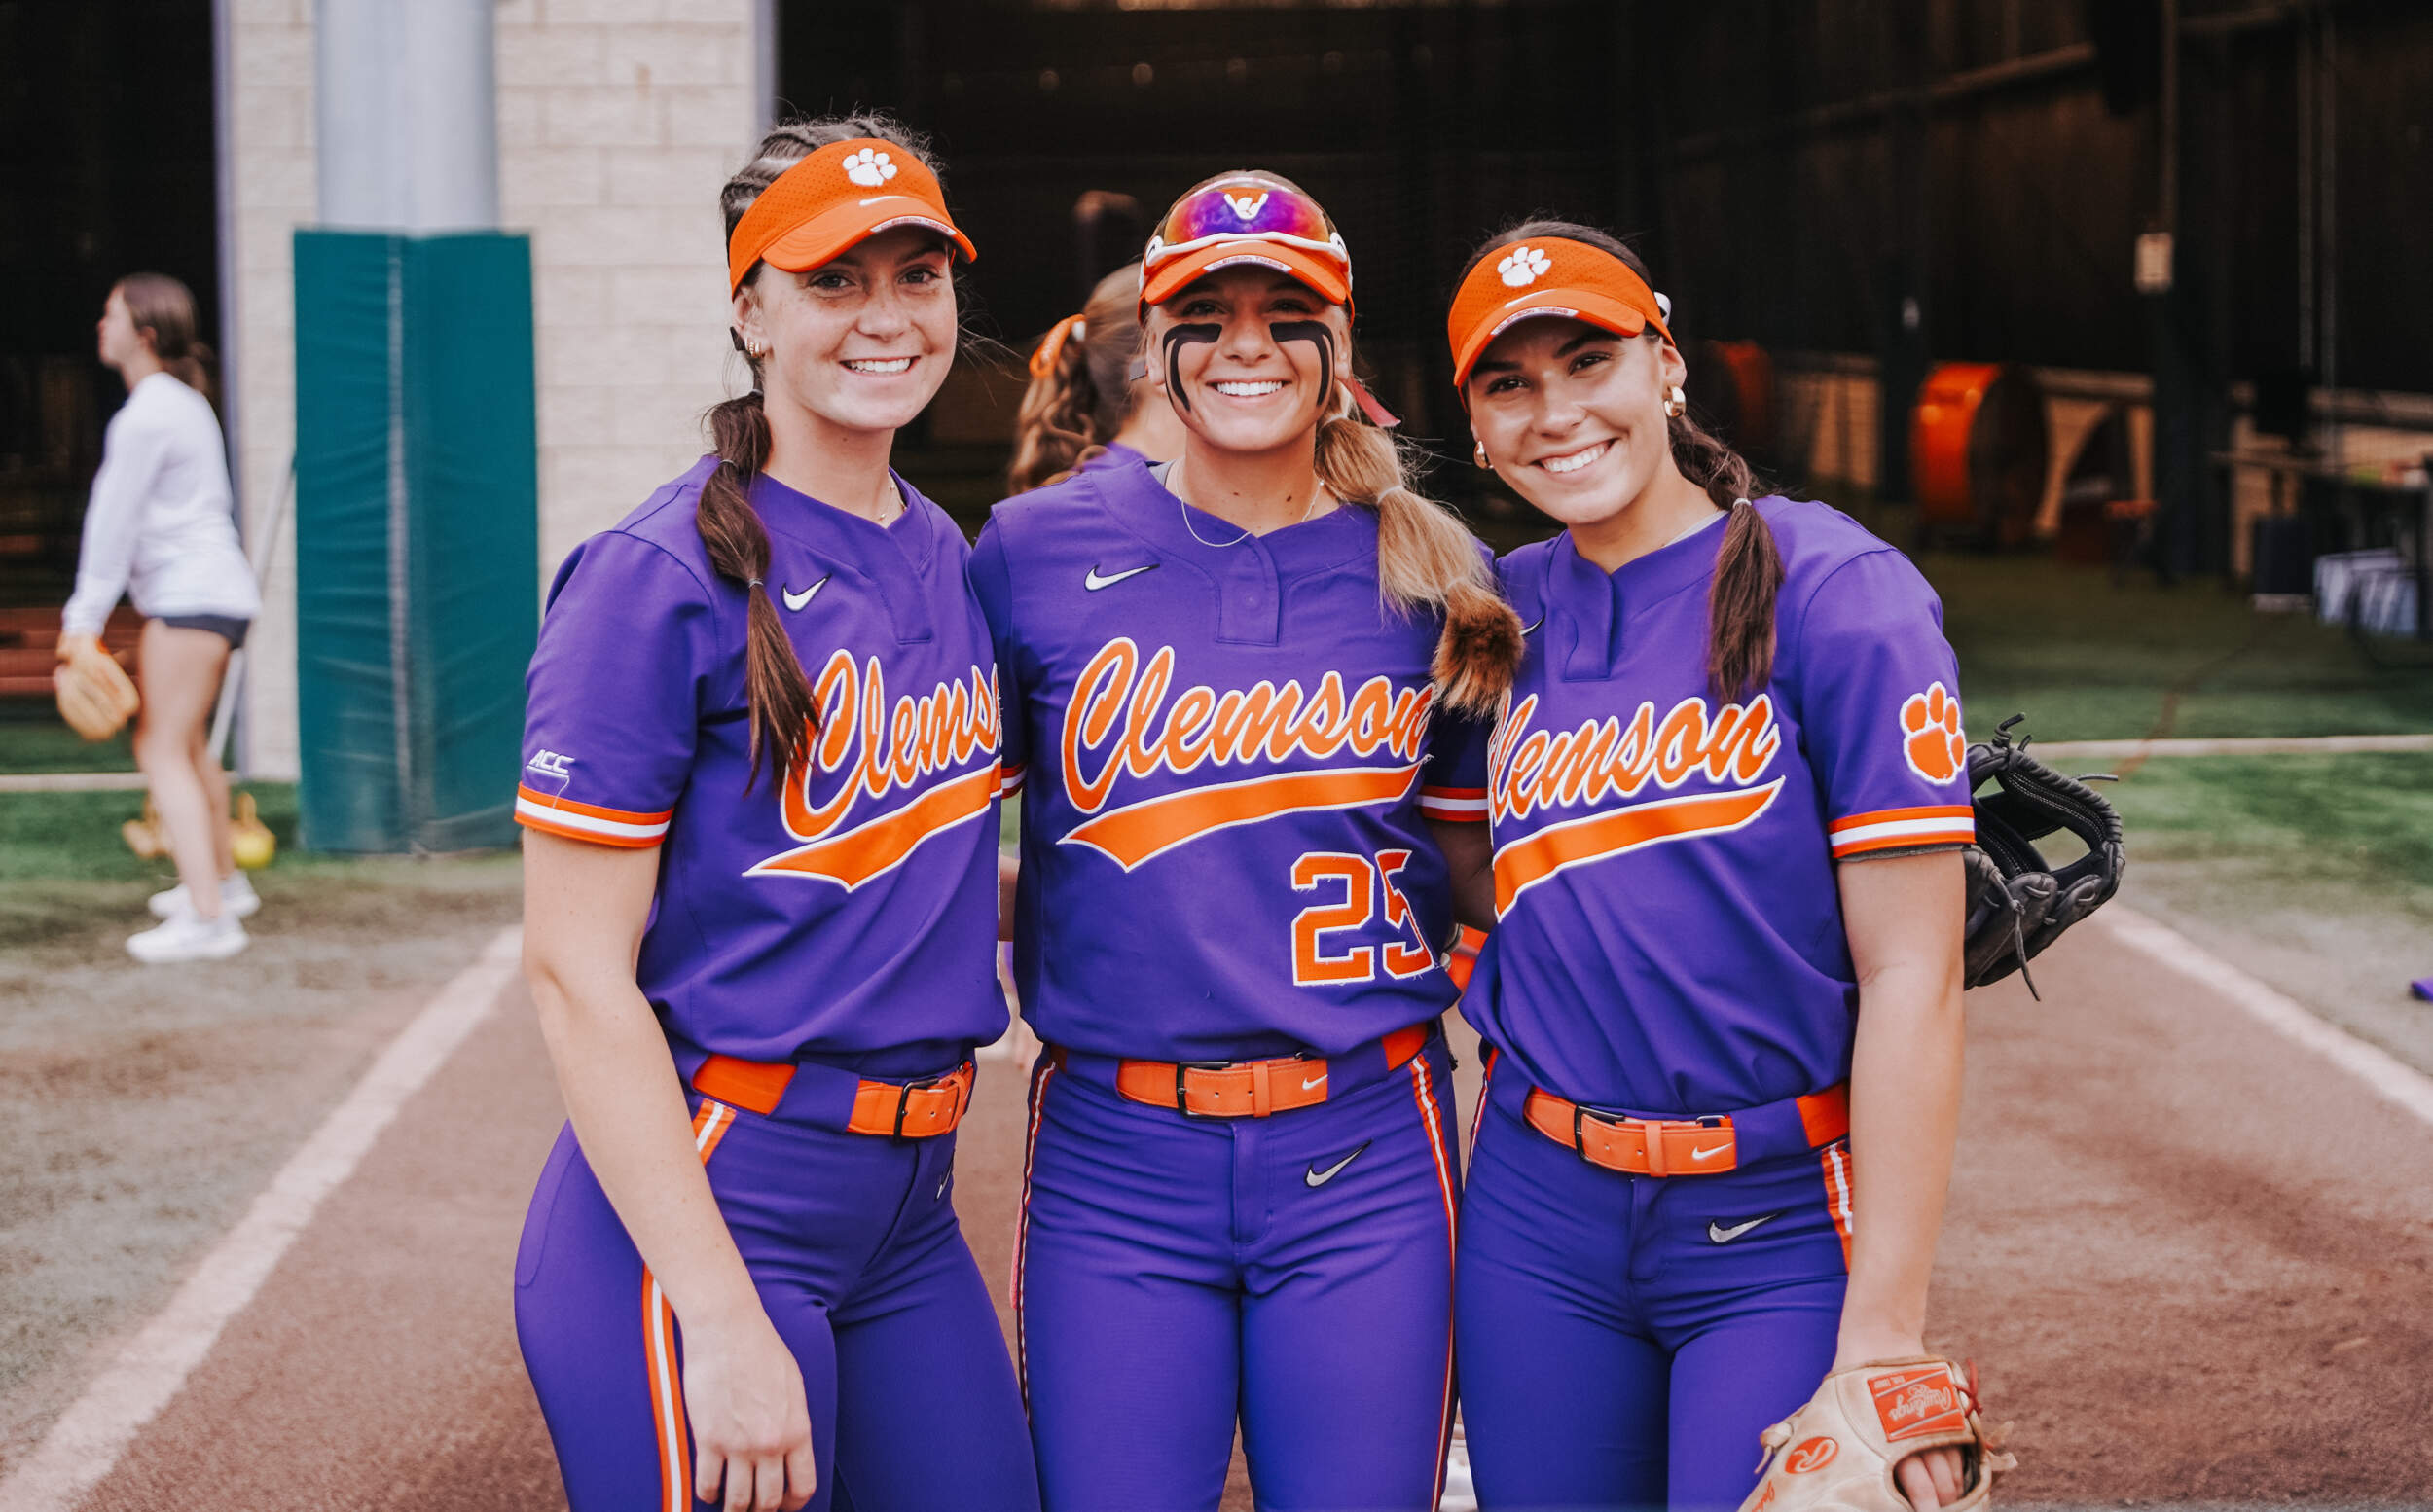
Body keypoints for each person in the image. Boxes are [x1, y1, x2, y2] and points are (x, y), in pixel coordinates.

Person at [970, 169, 1519, 1511]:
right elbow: (921, 817)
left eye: (1287, 313)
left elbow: (1497, 867)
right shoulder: (1029, 552)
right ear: (1153, 344)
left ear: (1341, 343)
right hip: (1114, 1151)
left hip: (1367, 1148)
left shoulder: (1437, 575)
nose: (1246, 346)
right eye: (1206, 315)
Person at [511, 116, 1036, 1512]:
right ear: (749, 310)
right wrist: (721, 1317)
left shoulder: (942, 549)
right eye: (833, 281)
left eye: (918, 276)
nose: (886, 316)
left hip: (908, 1211)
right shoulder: (653, 575)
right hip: (717, 1198)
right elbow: (573, 975)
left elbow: (895, 867)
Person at [1441, 223, 1975, 1511]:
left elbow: (1915, 975)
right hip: (1535, 1218)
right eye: (1510, 383)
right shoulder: (1491, 613)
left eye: (1588, 360)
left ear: (1667, 364)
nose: (1555, 411)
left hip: (1775, 1219)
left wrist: (1885, 1332)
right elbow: (1454, 872)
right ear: (1477, 429)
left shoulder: (1836, 586)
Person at [63, 273, 263, 963]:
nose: (102, 325)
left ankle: (210, 919)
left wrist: (81, 622)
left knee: (161, 748)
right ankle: (225, 887)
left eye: (111, 315)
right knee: (189, 746)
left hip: (190, 598)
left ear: (144, 334)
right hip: (215, 595)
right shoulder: (182, 403)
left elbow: (111, 525)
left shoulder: (148, 413)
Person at [1005, 262, 1186, 492]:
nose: (1229, 348)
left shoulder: (1152, 483)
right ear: (1152, 365)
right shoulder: (1113, 492)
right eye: (1201, 315)